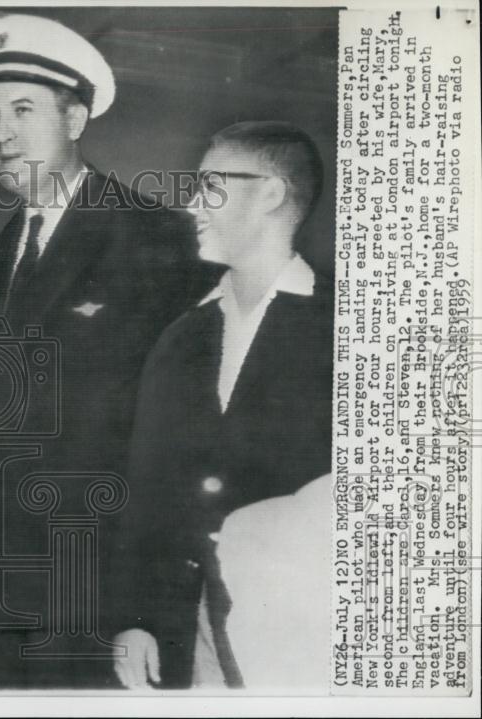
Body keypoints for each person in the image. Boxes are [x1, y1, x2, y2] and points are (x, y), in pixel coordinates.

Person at [0, 14, 214, 688]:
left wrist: (145, 609)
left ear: (77, 117)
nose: (1, 134)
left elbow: (177, 438)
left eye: (24, 110)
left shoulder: (155, 239)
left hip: (100, 591)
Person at [109, 121, 333, 689]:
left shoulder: (349, 328)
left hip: (305, 627)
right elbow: (147, 490)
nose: (191, 204)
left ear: (272, 193)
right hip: (192, 626)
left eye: (210, 185)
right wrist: (135, 620)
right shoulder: (180, 336)